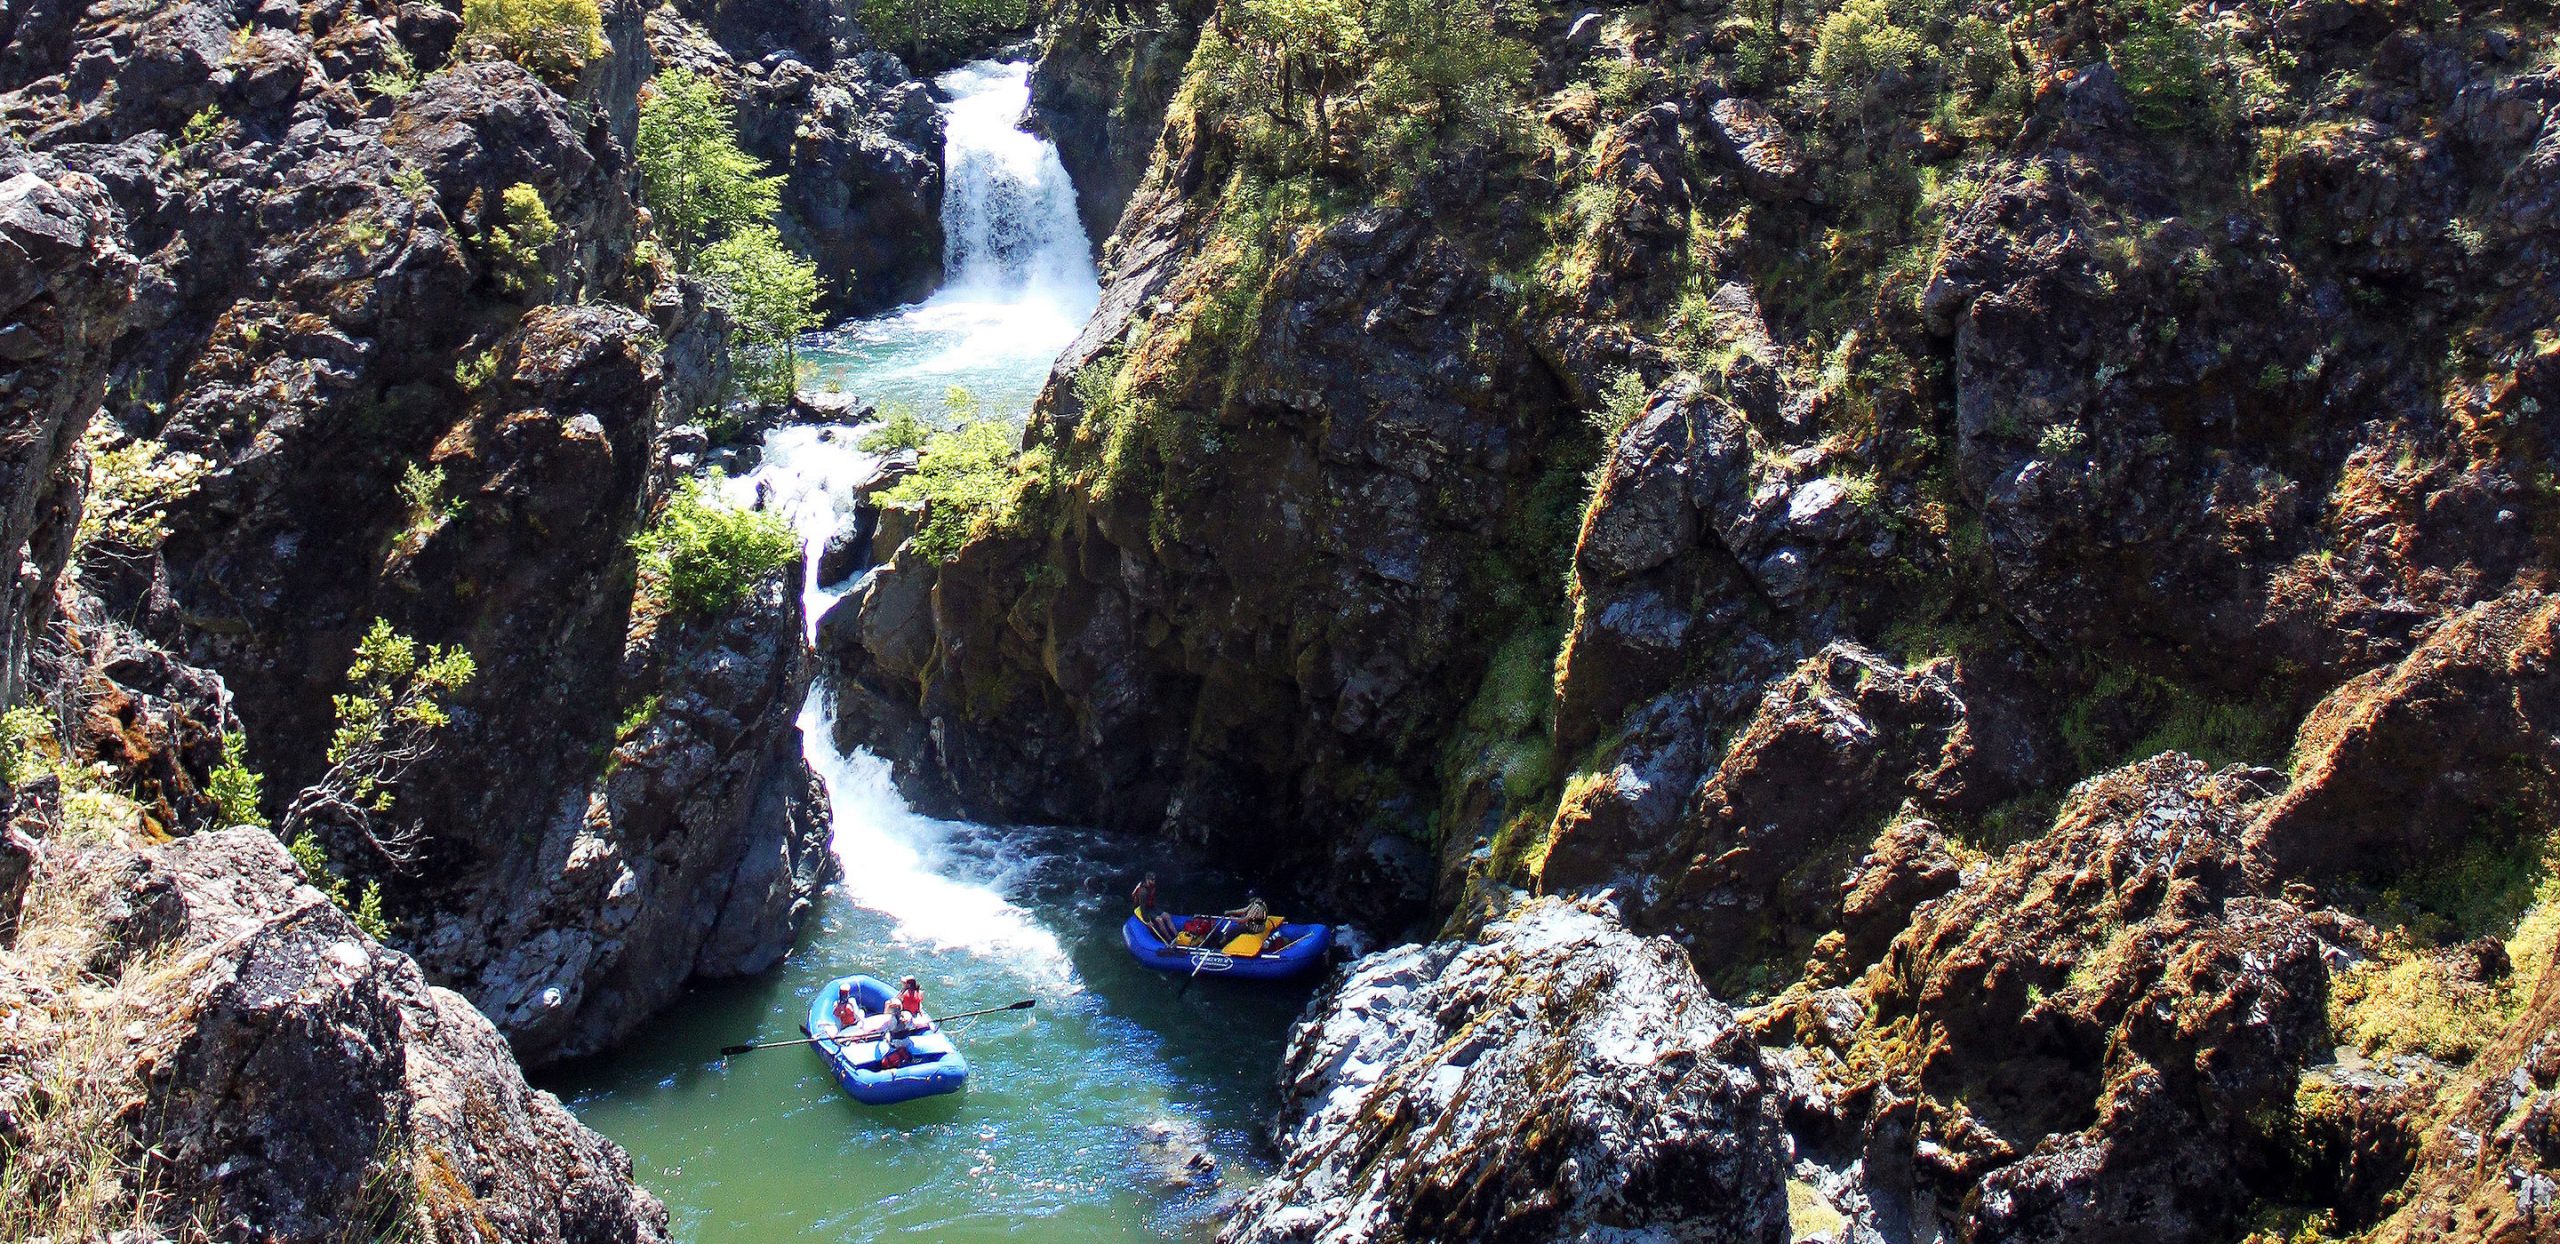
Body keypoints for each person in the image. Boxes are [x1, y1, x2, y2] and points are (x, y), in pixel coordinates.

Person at [1132, 872, 1176, 942]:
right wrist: (1147, 921)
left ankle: (1176, 935)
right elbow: (1143, 908)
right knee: (1160, 920)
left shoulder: (1152, 886)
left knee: (1167, 916)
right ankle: (1169, 938)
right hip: (1146, 908)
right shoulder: (1143, 891)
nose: (1154, 881)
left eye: (1155, 879)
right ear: (1147, 880)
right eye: (1152, 880)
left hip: (1151, 906)